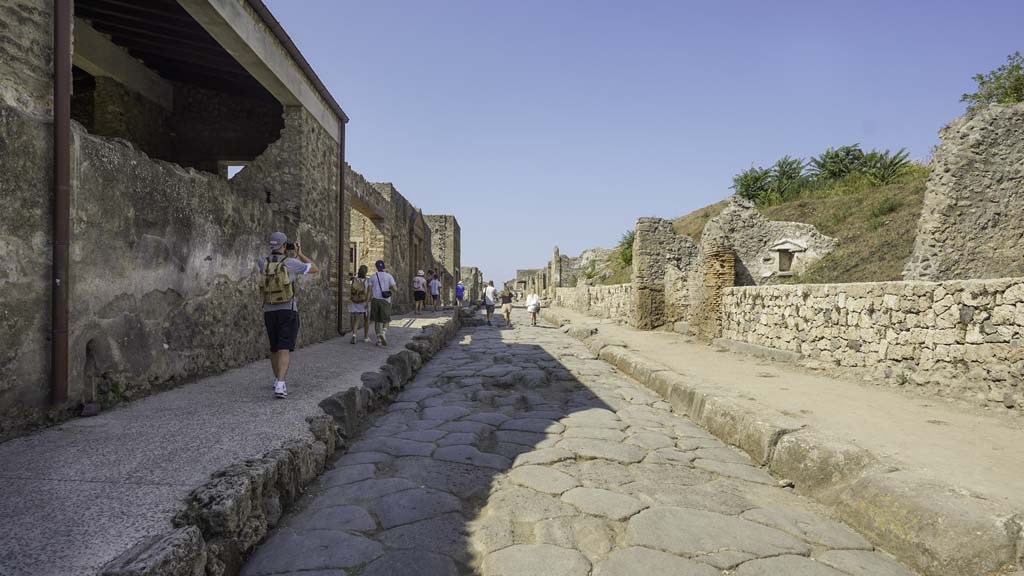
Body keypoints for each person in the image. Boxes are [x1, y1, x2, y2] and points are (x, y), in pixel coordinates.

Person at [259, 231, 317, 399]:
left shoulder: (262, 262)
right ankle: (281, 383)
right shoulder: (291, 263)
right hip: (287, 309)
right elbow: (314, 268)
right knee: (284, 347)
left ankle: (277, 380)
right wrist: (300, 254)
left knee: (274, 347)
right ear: (284, 246)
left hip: (269, 310)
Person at [369, 259, 397, 346]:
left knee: (377, 321)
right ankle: (383, 333)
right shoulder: (389, 276)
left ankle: (379, 340)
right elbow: (395, 289)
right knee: (386, 319)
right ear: (384, 267)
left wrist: (367, 301)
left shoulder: (372, 277)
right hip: (385, 301)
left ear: (376, 267)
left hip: (375, 300)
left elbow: (369, 290)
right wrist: (390, 290)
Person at [349, 265, 371, 344]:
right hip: (364, 301)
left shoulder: (354, 279)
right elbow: (368, 293)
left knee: (356, 320)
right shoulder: (368, 281)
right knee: (366, 320)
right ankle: (366, 337)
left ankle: (354, 335)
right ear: (366, 272)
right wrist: (367, 303)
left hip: (355, 301)